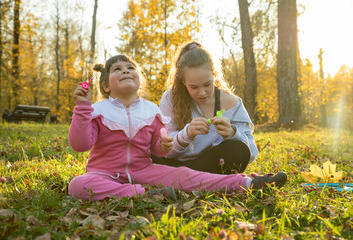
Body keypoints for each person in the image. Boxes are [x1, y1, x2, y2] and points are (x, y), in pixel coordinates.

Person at [68, 54, 287, 201]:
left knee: (185, 175)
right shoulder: (97, 111)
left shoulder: (150, 110)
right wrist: (82, 109)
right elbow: (80, 144)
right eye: (117, 69)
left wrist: (165, 143)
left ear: (139, 81)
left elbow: (159, 149)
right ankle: (143, 193)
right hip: (104, 174)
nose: (125, 70)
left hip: (144, 169)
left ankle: (248, 183)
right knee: (78, 185)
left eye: (130, 68)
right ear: (106, 85)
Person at [151, 41, 258, 174]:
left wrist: (232, 133)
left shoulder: (231, 102)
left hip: (209, 164)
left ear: (214, 74)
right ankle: (194, 179)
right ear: (183, 82)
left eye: (207, 84)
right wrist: (186, 134)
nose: (202, 93)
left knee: (238, 150)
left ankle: (180, 179)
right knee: (145, 153)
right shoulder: (170, 98)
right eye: (194, 87)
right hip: (174, 164)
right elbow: (163, 150)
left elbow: (251, 152)